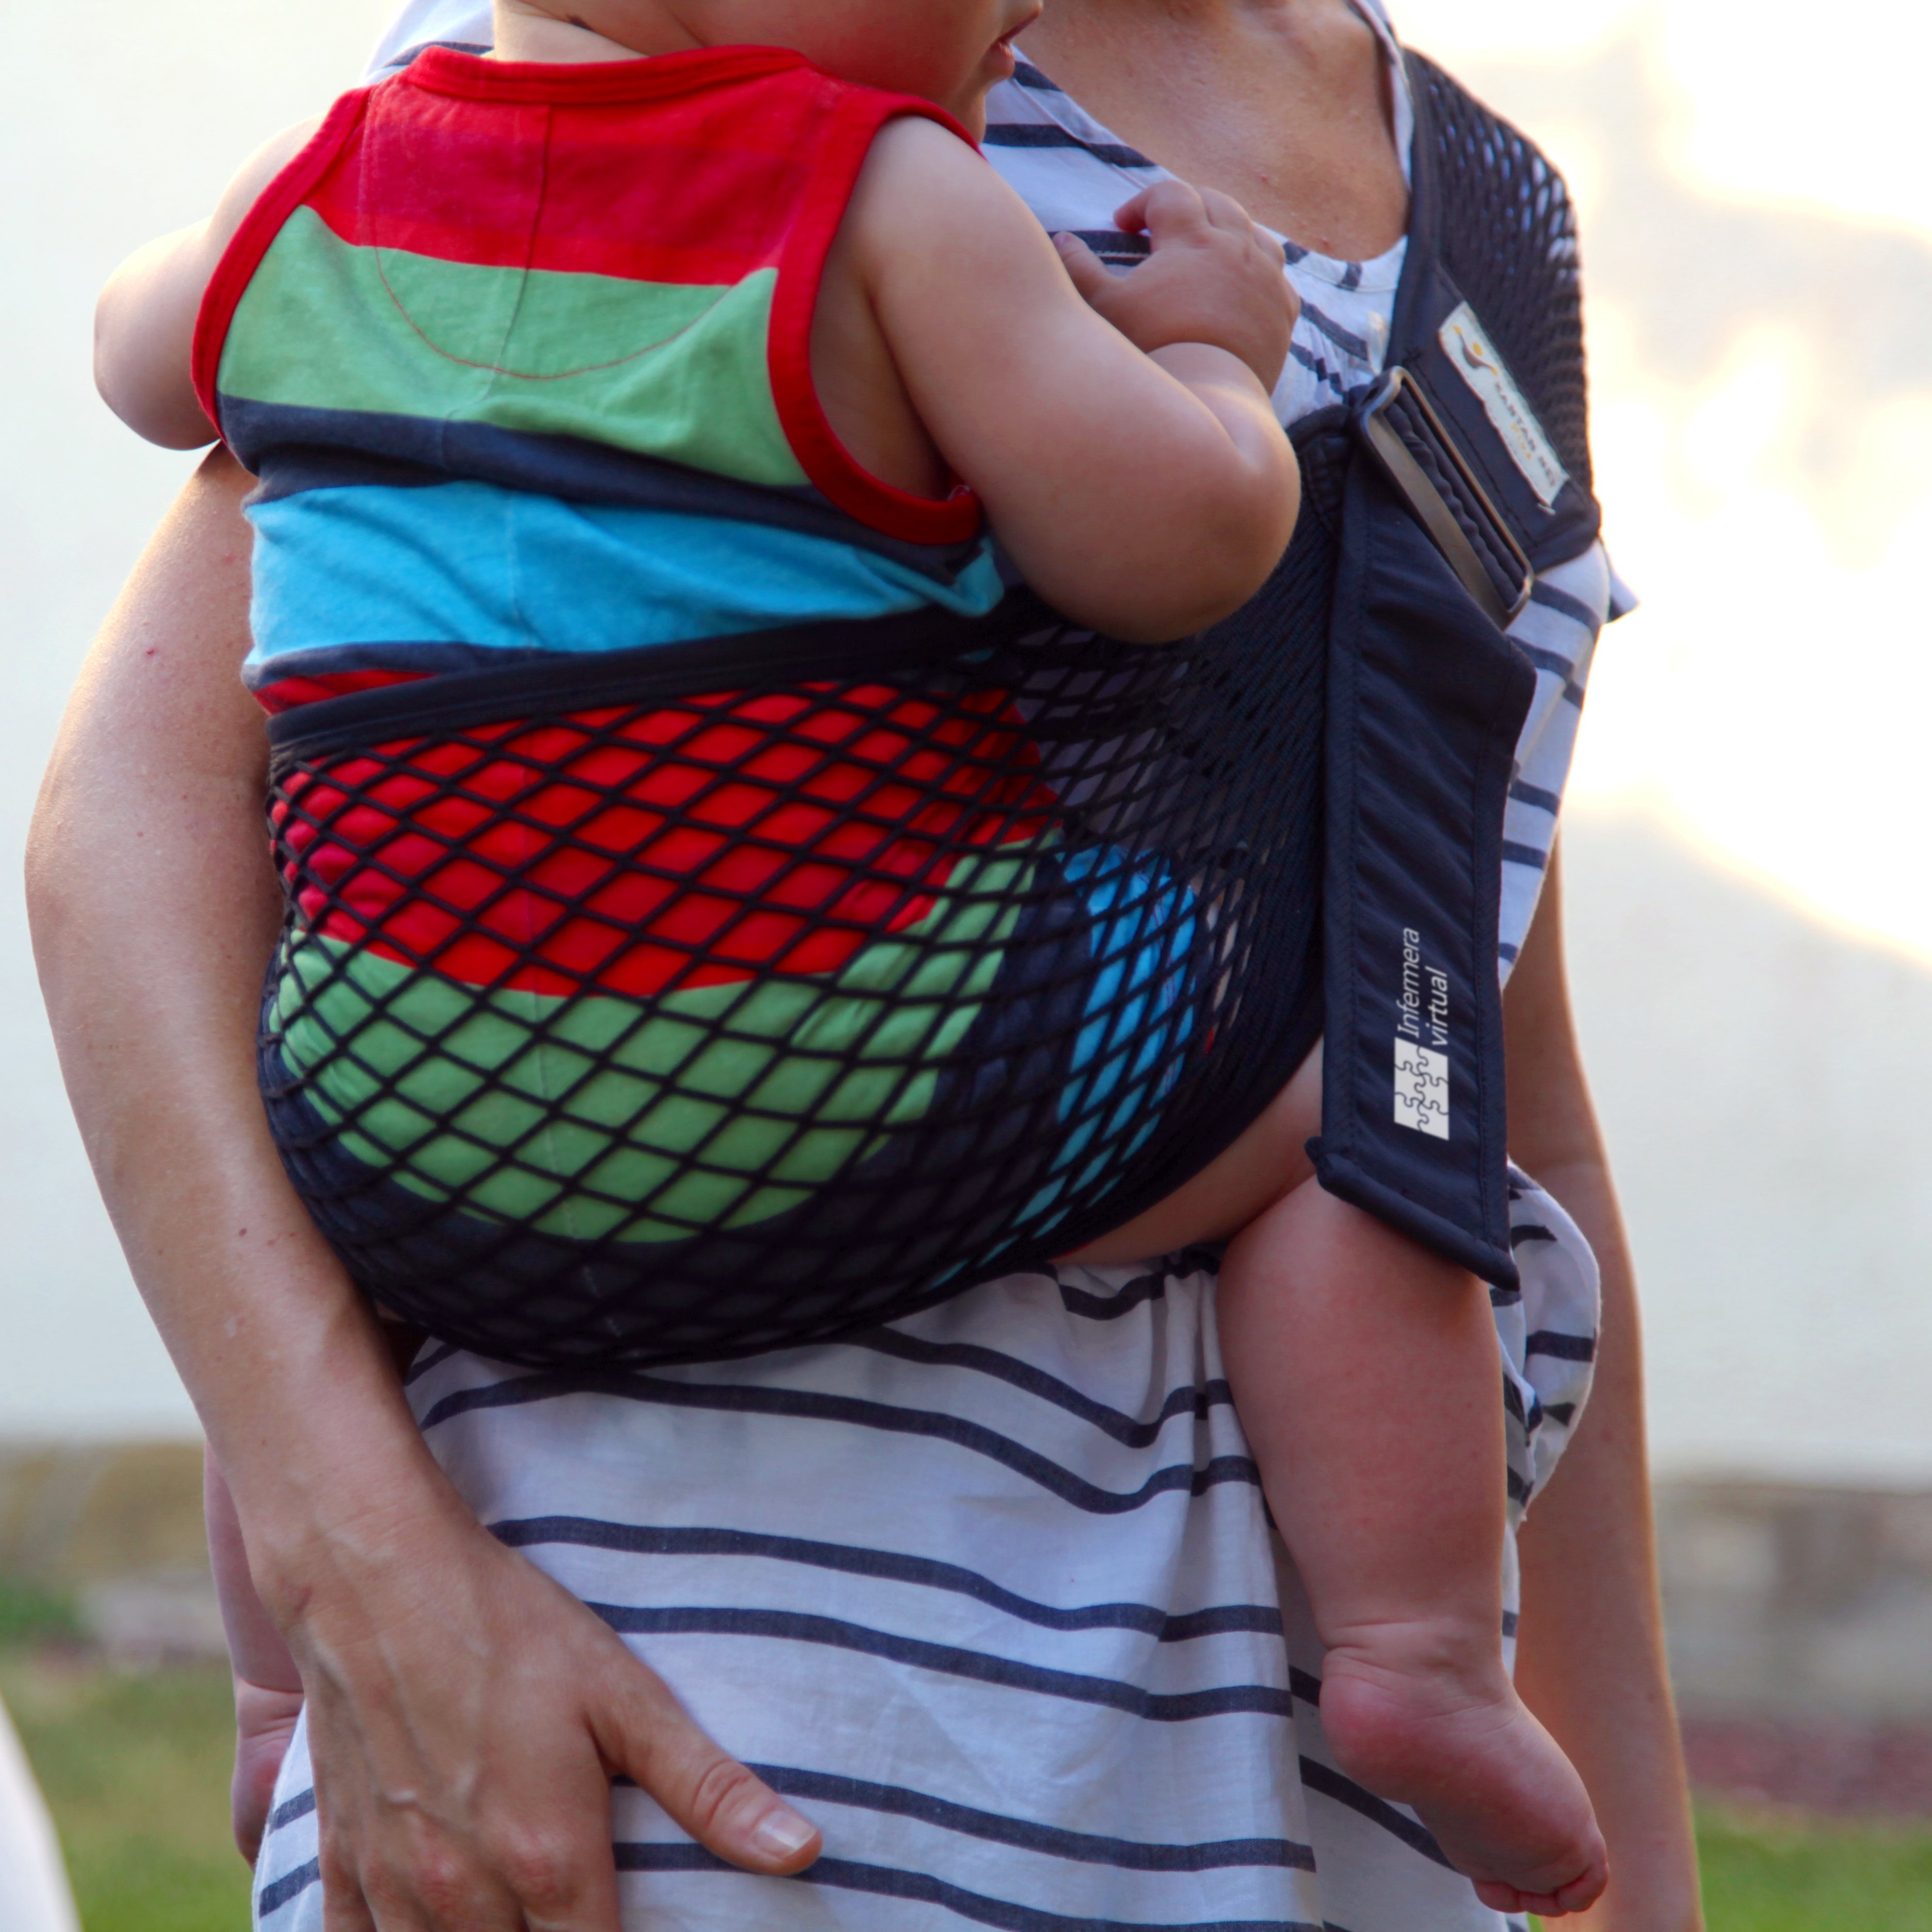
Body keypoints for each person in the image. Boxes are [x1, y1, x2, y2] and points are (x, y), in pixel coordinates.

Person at [29, 2, 1702, 1929]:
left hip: (1278, 1827)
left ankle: (1420, 1654)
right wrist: (364, 1589)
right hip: (660, 1766)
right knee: (1341, 1131)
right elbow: (133, 838)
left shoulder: (1494, 225)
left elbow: (1495, 1098)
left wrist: (1637, 1896)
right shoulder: (609, 91)